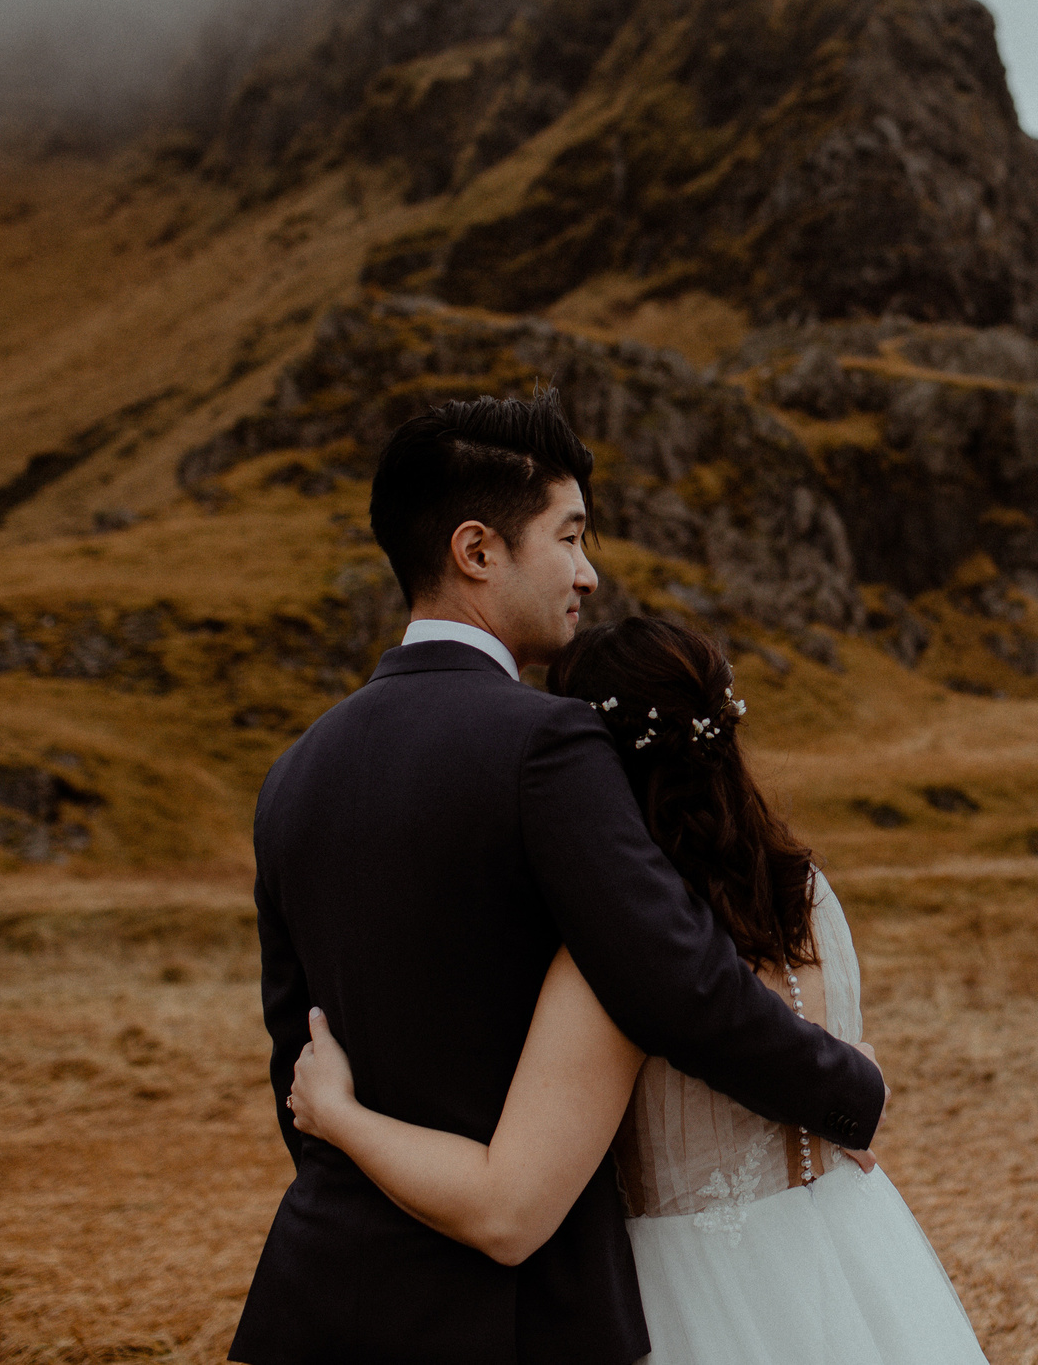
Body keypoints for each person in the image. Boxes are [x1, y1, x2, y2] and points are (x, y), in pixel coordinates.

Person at [231, 394, 886, 1365]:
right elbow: (674, 979)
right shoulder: (544, 742)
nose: (588, 574)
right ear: (477, 551)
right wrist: (846, 1090)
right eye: (569, 537)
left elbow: (302, 1061)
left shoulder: (292, 775)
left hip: (314, 1304)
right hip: (513, 1318)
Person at [285, 614, 991, 1365]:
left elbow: (505, 1209)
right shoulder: (811, 895)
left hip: (695, 1295)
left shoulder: (616, 960)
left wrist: (337, 1112)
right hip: (857, 1262)